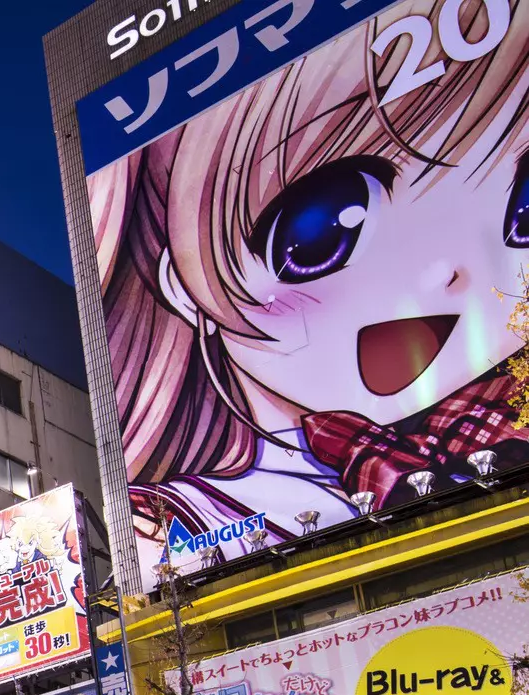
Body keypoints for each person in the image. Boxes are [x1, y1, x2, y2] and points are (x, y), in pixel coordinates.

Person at [86, 0, 529, 578]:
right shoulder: (170, 531)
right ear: (182, 284)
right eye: (325, 228)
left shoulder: (503, 416)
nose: (446, 273)